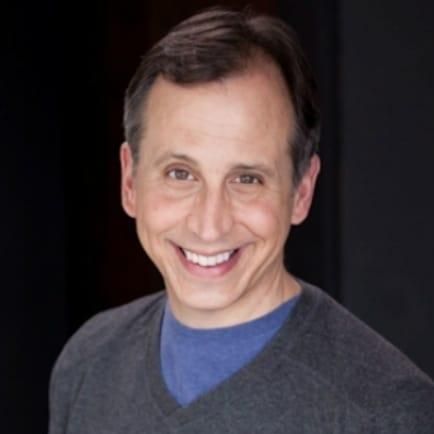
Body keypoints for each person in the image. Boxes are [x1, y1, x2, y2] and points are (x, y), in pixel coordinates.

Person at [49, 7, 434, 433]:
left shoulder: (389, 413)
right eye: (180, 173)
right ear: (130, 182)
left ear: (301, 192)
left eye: (247, 179)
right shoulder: (88, 363)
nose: (209, 224)